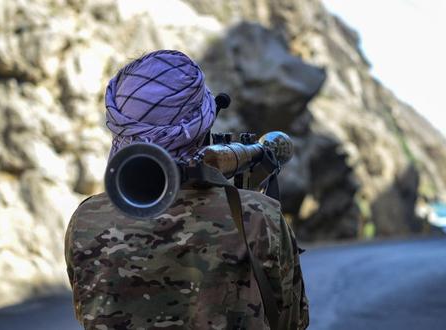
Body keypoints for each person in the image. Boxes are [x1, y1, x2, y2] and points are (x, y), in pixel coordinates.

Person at [64, 50, 309, 330]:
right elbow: (293, 321)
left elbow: (86, 311)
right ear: (201, 126)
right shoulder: (260, 217)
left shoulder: (85, 221)